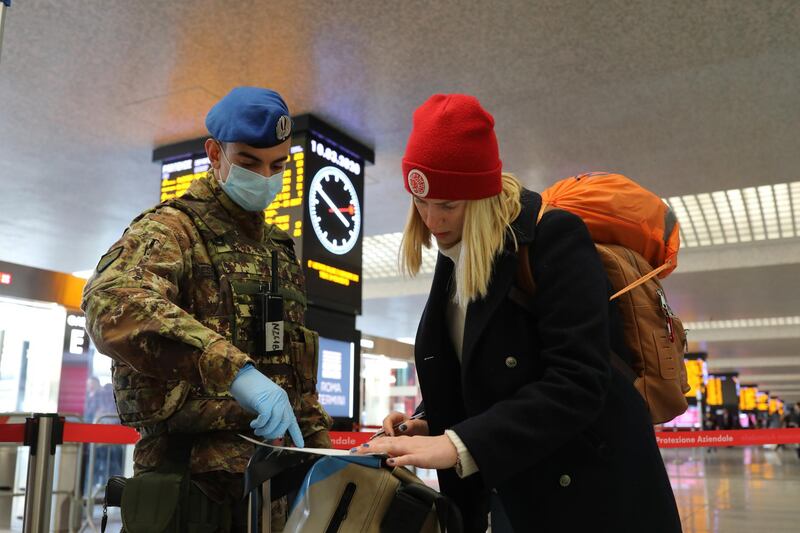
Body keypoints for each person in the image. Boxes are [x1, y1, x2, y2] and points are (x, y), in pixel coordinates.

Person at [356, 94, 682, 532]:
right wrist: (428, 419)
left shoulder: (553, 239)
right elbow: (483, 363)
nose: (432, 220)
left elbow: (578, 381)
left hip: (592, 496)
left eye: (448, 204)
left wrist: (457, 444)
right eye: (421, 202)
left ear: (481, 194)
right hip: (515, 491)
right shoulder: (456, 251)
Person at [82, 87, 332, 531]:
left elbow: (293, 369)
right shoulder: (172, 228)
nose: (265, 177)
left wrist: (323, 454)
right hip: (190, 484)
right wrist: (234, 371)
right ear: (215, 154)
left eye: (278, 165)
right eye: (250, 162)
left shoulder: (278, 249)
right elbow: (111, 304)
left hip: (272, 486)